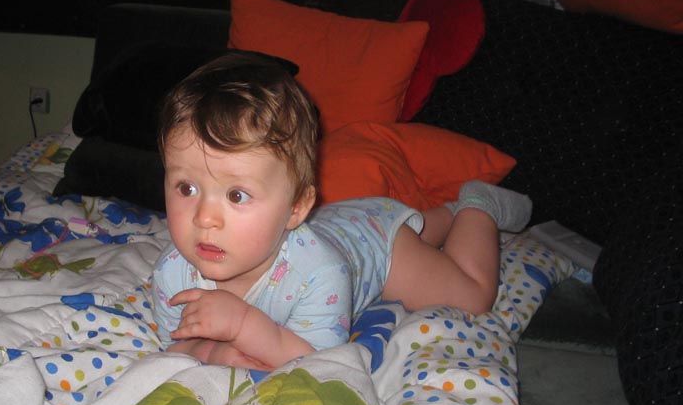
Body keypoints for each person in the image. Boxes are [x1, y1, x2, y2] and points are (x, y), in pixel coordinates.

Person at [150, 51, 532, 371]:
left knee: (471, 297)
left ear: (296, 208)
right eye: (187, 188)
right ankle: (444, 215)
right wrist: (211, 352)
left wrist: (242, 326)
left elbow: (321, 362)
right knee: (419, 231)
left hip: (380, 248)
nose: (204, 218)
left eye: (236, 195)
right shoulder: (172, 272)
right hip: (346, 223)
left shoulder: (320, 273)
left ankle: (477, 204)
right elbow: (176, 345)